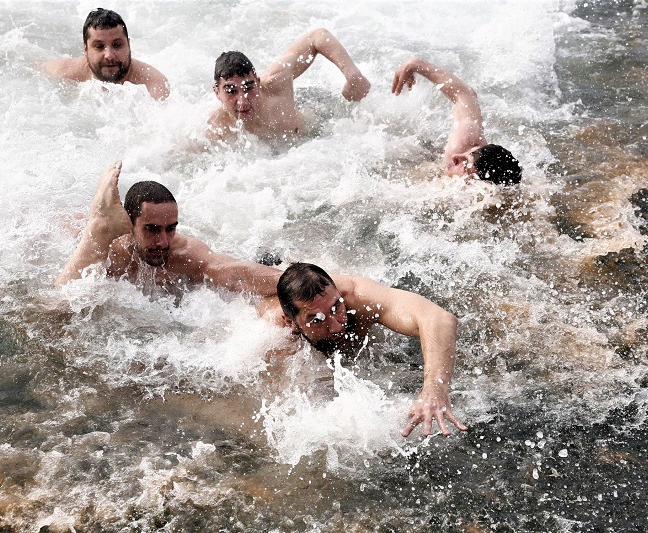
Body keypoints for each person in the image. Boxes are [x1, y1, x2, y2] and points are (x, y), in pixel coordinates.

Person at [260, 262, 468, 438]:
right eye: (316, 320)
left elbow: (439, 318)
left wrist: (434, 387)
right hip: (266, 297)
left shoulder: (358, 296)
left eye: (336, 308)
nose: (336, 326)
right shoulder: (276, 339)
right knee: (235, 274)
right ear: (292, 322)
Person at [56, 161, 281, 297]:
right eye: (152, 229)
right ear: (129, 225)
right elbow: (61, 299)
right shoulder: (109, 251)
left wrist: (290, 283)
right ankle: (99, 224)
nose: (163, 242)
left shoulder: (185, 253)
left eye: (170, 229)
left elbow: (234, 274)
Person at [207, 28, 371, 142]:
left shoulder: (275, 81)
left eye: (248, 88)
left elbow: (317, 36)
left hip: (320, 117)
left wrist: (353, 76)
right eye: (231, 91)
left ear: (257, 83)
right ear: (217, 93)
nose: (242, 101)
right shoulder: (216, 129)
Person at [392, 57, 522, 185]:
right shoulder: (464, 144)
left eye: (465, 166)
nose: (456, 157)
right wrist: (417, 65)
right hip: (423, 154)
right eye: (468, 155)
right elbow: (465, 94)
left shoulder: (486, 190)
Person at [43, 8, 170, 101]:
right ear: (86, 50)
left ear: (129, 45)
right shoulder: (62, 73)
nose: (109, 55)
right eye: (99, 46)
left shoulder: (153, 85)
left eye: (117, 45)